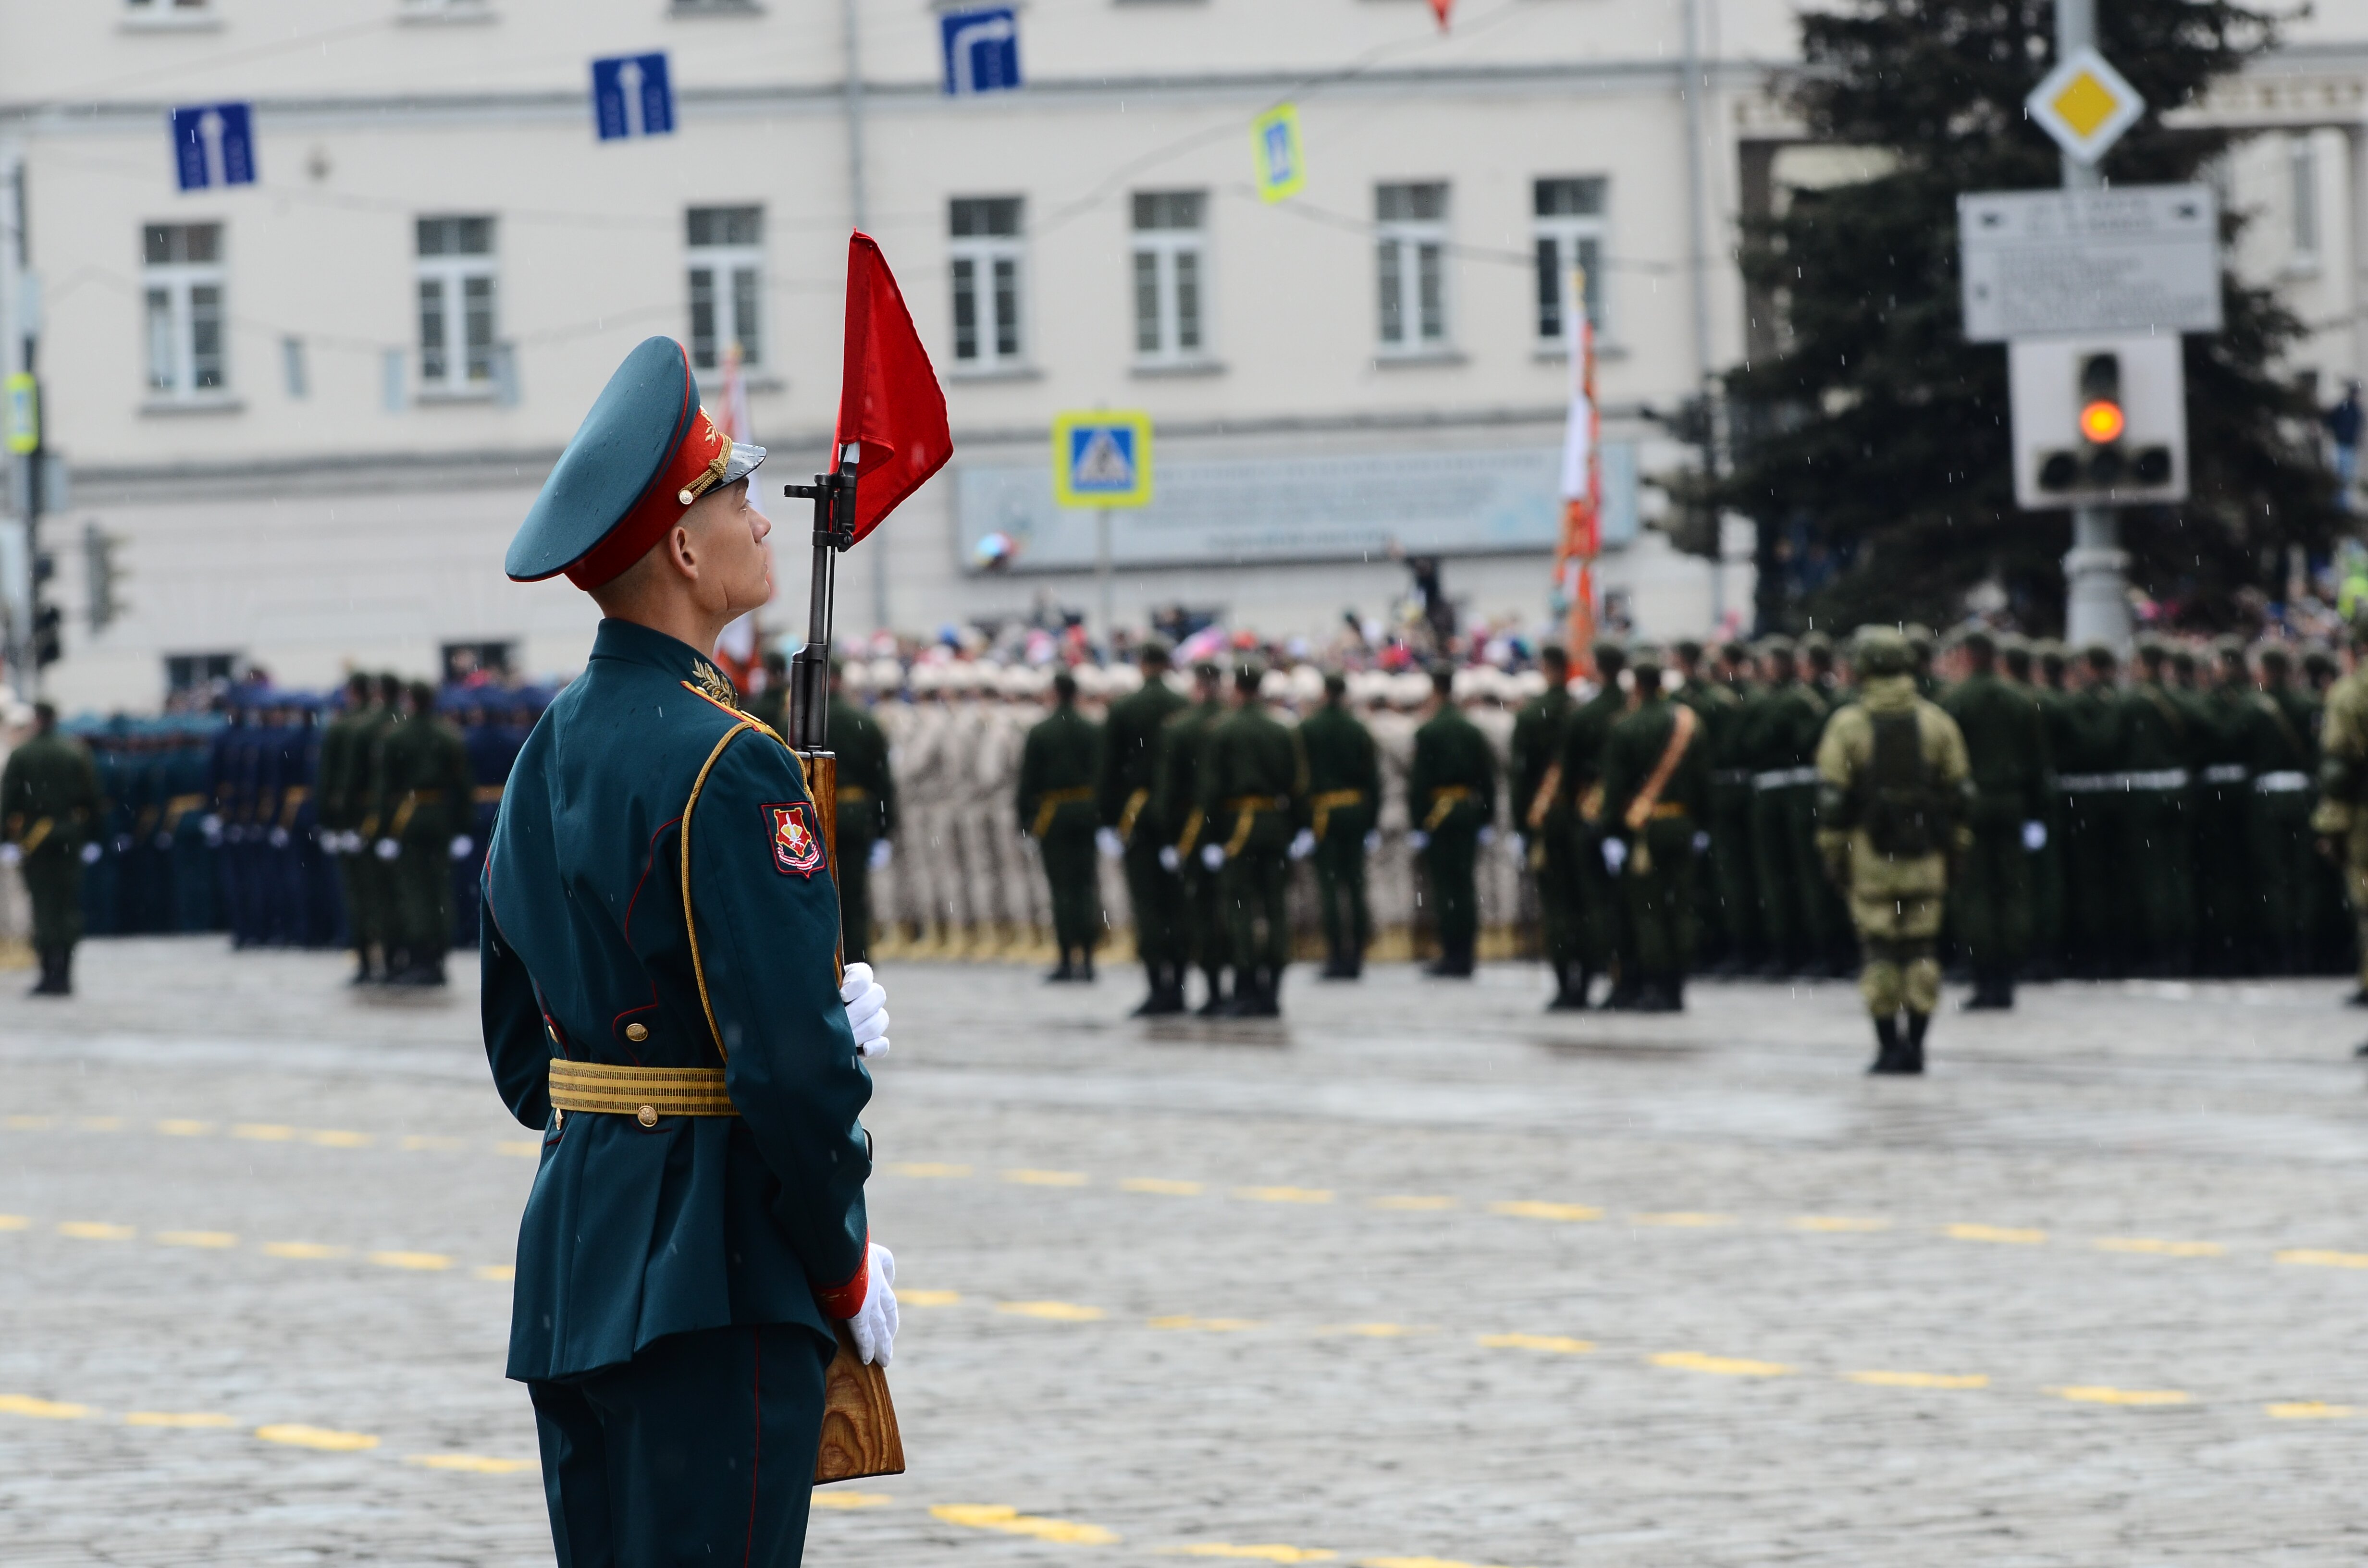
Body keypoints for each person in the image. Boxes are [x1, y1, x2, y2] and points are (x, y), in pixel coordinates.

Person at [480, 336, 896, 1565]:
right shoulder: (733, 761)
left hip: (575, 1270)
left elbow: (523, 1067)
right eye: (737, 499)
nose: (763, 524)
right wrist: (841, 1267)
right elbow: (791, 1080)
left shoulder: (541, 753)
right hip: (715, 1284)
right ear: (681, 547)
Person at [1815, 627, 1973, 1075]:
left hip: (1871, 859)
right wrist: (1956, 851)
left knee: (1881, 952)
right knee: (1922, 952)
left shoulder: (1848, 726)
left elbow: (1832, 805)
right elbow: (1960, 795)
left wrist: (1835, 856)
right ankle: (1918, 1046)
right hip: (1927, 860)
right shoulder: (1937, 723)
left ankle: (1887, 1047)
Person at [1597, 646, 1711, 1012]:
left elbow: (1614, 789)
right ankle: (1678, 985)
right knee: (1681, 908)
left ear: (1637, 685)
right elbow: (1702, 782)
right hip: (1683, 824)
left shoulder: (1626, 726)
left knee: (1648, 912)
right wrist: (1703, 825)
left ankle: (1657, 986)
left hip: (1644, 830)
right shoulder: (1689, 722)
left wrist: (1610, 830)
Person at [1940, 629, 2050, 1009]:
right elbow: (2038, 764)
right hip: (2013, 803)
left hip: (1972, 807)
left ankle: (1984, 976)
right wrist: (2037, 814)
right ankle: (2008, 976)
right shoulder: (2021, 701)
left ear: (1968, 658)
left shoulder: (1954, 701)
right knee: (2013, 891)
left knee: (1975, 894)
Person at [1198, 662, 1308, 1016]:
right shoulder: (1281, 729)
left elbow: (1212, 790)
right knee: (1276, 908)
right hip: (1275, 825)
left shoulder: (1223, 730)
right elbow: (1298, 784)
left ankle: (1246, 986)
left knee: (1241, 909)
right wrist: (1299, 828)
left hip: (1237, 830)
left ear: (1237, 687)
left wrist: (1211, 836)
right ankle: (1273, 988)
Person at [1097, 641, 1189, 1012]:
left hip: (1136, 816)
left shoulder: (1125, 709)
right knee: (1178, 905)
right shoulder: (1183, 706)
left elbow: (1108, 769)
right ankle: (1180, 986)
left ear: (1141, 664)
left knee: (1148, 905)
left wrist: (1106, 820)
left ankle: (1158, 987)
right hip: (1180, 816)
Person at [373, 680, 474, 987]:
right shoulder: (448, 734)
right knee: (440, 888)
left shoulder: (396, 736)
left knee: (413, 890)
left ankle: (421, 958)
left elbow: (385, 787)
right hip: (441, 815)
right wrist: (463, 827)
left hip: (410, 816)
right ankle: (438, 956)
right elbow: (463, 785)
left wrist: (384, 830)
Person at [1, 702, 101, 996]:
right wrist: (95, 837)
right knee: (67, 907)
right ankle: (66, 974)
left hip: (36, 839)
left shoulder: (23, 754)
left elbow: (9, 800)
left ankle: (49, 973)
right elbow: (92, 798)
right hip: (70, 835)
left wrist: (5, 840)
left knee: (44, 907)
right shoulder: (75, 752)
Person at [1408, 663, 1497, 977]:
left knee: (1446, 889)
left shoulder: (1429, 731)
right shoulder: (1470, 730)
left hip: (1439, 815)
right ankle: (1467, 953)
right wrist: (1486, 816)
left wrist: (1418, 823)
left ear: (1435, 691)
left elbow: (1420, 783)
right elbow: (1487, 780)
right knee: (1466, 886)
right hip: (1467, 812)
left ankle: (1452, 954)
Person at [1554, 641, 1630, 1004]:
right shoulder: (1632, 709)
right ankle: (1629, 977)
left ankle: (1591, 974)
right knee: (1632, 904)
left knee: (1593, 903)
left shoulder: (1585, 715)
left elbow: (1568, 777)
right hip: (1636, 814)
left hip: (1591, 816)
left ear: (1597, 669)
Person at [1017, 667, 1104, 981]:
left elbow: (1028, 782)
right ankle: (1090, 959)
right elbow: (1102, 774)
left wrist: (1025, 822)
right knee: (1086, 887)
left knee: (1062, 889)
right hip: (1086, 812)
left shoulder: (1042, 731)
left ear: (1054, 693)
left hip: (1053, 814)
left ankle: (1068, 958)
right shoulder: (1091, 729)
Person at [1510, 645, 1582, 1007]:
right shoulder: (1581, 711)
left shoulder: (1533, 714)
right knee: (1585, 901)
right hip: (1581, 819)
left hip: (1547, 819)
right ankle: (1587, 978)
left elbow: (1521, 778)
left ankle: (1566, 983)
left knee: (1556, 907)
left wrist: (1521, 826)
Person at [1299, 669, 1382, 980]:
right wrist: (1371, 819)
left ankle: (1336, 955)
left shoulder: (1309, 728)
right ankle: (1357, 953)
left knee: (1330, 887)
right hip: (1356, 812)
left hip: (1323, 814)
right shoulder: (1357, 729)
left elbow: (1302, 780)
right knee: (1356, 885)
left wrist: (1303, 821)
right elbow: (1372, 780)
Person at [1158, 662, 1231, 1014]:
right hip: (1236, 831)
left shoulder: (1181, 729)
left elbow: (1169, 791)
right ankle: (1247, 988)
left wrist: (1169, 836)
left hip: (1194, 831)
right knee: (1235, 910)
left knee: (1198, 913)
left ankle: (1211, 988)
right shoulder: (1233, 723)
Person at [827, 659, 897, 966]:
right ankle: (857, 956)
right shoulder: (864, 722)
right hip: (856, 815)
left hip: (816, 814)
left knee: (820, 890)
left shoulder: (800, 721)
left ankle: (828, 955)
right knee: (854, 892)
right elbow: (881, 780)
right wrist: (885, 824)